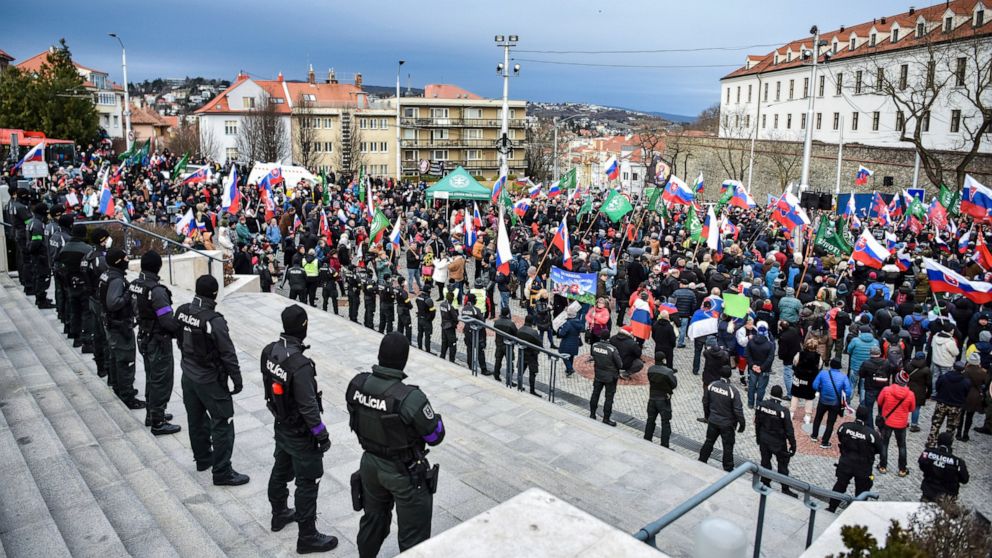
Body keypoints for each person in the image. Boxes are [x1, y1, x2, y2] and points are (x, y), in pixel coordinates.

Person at [347, 332, 444, 557]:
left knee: (373, 520)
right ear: (404, 360)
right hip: (404, 472)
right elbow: (436, 436)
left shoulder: (357, 384)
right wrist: (434, 418)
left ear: (379, 355)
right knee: (414, 535)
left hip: (369, 464)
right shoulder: (410, 397)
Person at [261, 305, 338, 554]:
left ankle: (279, 513)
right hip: (300, 432)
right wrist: (322, 435)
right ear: (303, 327)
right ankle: (307, 536)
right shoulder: (300, 364)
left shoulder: (269, 350)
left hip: (281, 423)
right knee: (308, 481)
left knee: (280, 468)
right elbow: (308, 406)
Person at [176, 275, 249, 486]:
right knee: (223, 422)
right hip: (209, 379)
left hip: (188, 374)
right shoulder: (213, 320)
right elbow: (228, 353)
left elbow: (174, 332)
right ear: (215, 294)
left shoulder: (182, 311)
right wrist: (237, 379)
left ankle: (203, 459)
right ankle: (222, 471)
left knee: (195, 418)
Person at [132, 251, 182, 435]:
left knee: (151, 376)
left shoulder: (135, 285)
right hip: (158, 340)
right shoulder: (157, 291)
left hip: (144, 336)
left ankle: (151, 413)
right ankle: (158, 421)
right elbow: (167, 320)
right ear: (158, 266)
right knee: (161, 379)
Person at [100, 248, 144, 408]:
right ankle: (127, 396)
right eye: (125, 258)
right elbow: (114, 303)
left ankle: (118, 387)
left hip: (111, 324)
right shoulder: (117, 280)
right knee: (125, 360)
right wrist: (128, 293)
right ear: (119, 262)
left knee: (114, 357)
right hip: (119, 326)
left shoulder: (107, 274)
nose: (127, 259)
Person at [826, 405, 883, 513]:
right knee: (862, 492)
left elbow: (840, 436)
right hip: (863, 467)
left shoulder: (845, 427)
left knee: (840, 485)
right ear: (867, 417)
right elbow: (880, 449)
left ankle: (831, 507)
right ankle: (858, 513)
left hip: (845, 462)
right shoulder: (872, 434)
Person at [699, 365, 746, 472]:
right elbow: (738, 410)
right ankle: (728, 468)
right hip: (727, 424)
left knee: (709, 441)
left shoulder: (712, 385)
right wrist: (742, 424)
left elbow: (705, 401)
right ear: (730, 375)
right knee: (728, 447)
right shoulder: (733, 391)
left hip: (713, 420)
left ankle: (702, 459)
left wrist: (707, 416)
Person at [754, 385, 798, 497]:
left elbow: (757, 423)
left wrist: (758, 437)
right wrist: (793, 445)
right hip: (778, 443)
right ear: (780, 396)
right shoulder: (783, 411)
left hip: (764, 439)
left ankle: (765, 482)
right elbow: (789, 430)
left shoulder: (761, 406)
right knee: (783, 466)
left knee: (765, 462)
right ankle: (785, 488)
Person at [55, 224, 93, 348]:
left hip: (70, 284)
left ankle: (76, 337)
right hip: (84, 284)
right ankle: (86, 340)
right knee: (86, 312)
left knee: (74, 310)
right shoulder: (87, 249)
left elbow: (58, 266)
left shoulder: (64, 248)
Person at [81, 229, 111, 378]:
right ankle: (105, 365)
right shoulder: (99, 259)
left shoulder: (88, 255)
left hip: (92, 298)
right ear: (102, 240)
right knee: (103, 335)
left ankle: (101, 364)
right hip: (99, 300)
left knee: (98, 333)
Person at [875, 371, 916, 477]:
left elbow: (879, 402)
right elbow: (912, 408)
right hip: (901, 423)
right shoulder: (910, 394)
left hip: (887, 421)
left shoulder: (886, 390)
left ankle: (883, 466)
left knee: (884, 444)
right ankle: (902, 469)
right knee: (902, 446)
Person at [926, 361, 971, 447]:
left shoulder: (943, 377)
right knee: (951, 428)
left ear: (953, 367)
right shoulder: (966, 382)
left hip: (942, 403)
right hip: (956, 406)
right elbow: (966, 393)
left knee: (936, 424)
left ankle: (931, 442)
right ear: (963, 370)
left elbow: (937, 387)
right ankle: (947, 445)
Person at [810, 359, 852, 449]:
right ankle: (824, 442)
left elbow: (814, 385)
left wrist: (821, 389)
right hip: (835, 403)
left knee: (818, 417)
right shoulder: (843, 377)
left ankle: (814, 435)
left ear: (830, 365)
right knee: (830, 422)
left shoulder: (823, 373)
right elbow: (848, 392)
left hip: (823, 400)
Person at [918, 431, 969, 503]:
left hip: (928, 491)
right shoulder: (957, 462)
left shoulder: (928, 453)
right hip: (947, 497)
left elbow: (922, 465)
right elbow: (965, 479)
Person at [589, 331, 622, 426]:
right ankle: (606, 418)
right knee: (609, 398)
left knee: (595, 394)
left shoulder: (594, 345)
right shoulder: (612, 349)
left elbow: (593, 356)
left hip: (598, 374)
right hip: (610, 377)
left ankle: (592, 414)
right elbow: (620, 364)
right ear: (609, 338)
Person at [644, 355, 677, 447]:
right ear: (663, 359)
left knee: (650, 420)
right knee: (665, 423)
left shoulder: (650, 369)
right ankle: (664, 444)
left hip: (652, 398)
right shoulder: (668, 372)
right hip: (663, 400)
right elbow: (674, 384)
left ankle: (647, 438)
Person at [27, 202, 54, 308]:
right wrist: (41, 254)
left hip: (37, 255)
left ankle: (41, 297)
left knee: (39, 277)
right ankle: (41, 300)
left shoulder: (33, 222)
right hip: (40, 256)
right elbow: (36, 243)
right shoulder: (38, 225)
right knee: (41, 277)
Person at [744, 321, 775, 408]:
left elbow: (747, 354)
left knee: (751, 386)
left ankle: (750, 403)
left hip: (753, 368)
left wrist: (752, 365)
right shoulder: (770, 345)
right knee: (761, 388)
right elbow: (770, 358)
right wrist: (762, 367)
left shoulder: (751, 342)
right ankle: (759, 404)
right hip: (764, 370)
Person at [958, 352, 987, 442]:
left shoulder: (965, 370)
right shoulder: (983, 372)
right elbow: (985, 384)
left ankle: (958, 432)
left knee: (961, 415)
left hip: (964, 394)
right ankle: (966, 434)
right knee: (970, 416)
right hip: (975, 396)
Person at [790, 338, 821, 424]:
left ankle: (791, 413)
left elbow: (795, 362)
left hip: (799, 378)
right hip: (810, 380)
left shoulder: (800, 354)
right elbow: (819, 367)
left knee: (795, 395)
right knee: (809, 398)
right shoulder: (818, 357)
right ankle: (807, 416)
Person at [859, 346, 892, 426]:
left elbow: (861, 374)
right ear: (880, 353)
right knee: (882, 409)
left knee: (869, 409)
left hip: (870, 388)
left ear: (870, 354)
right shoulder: (886, 362)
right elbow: (889, 373)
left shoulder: (866, 363)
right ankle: (881, 426)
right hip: (883, 389)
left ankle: (870, 427)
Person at [460, 293, 488, 375]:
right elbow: (482, 322)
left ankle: (470, 366)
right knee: (480, 351)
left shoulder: (464, 308)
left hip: (467, 331)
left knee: (469, 349)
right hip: (475, 333)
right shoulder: (476, 309)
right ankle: (483, 369)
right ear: (474, 300)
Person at [516, 315, 543, 396]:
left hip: (522, 353)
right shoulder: (534, 332)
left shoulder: (520, 330)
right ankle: (532, 390)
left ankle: (519, 385)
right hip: (532, 355)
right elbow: (540, 344)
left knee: (521, 371)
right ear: (532, 322)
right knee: (532, 373)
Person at [558, 305, 585, 377]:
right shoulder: (578, 322)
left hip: (567, 343)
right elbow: (582, 329)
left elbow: (562, 334)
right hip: (575, 342)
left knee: (563, 355)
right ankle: (568, 370)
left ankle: (570, 368)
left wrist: (560, 328)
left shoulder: (568, 324)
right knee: (571, 356)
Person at [493, 306, 518, 383]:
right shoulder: (511, 324)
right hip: (508, 346)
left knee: (498, 360)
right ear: (508, 314)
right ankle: (509, 379)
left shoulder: (497, 322)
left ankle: (496, 375)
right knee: (510, 363)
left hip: (499, 344)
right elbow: (516, 333)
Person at [438, 291, 458, 362]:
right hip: (450, 328)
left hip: (443, 326)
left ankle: (442, 356)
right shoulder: (450, 307)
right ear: (451, 298)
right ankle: (452, 360)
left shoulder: (442, 304)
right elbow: (455, 318)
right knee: (452, 344)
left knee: (444, 342)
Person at [415, 287, 436, 353]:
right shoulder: (429, 300)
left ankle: (419, 347)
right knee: (427, 336)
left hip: (419, 318)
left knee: (420, 334)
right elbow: (433, 313)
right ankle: (427, 350)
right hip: (426, 320)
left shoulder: (418, 297)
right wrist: (429, 319)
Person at [395, 276, 413, 343]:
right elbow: (407, 302)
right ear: (402, 283)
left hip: (399, 309)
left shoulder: (396, 289)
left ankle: (399, 340)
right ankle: (408, 341)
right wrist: (411, 306)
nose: (405, 282)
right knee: (408, 326)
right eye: (404, 281)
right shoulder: (404, 292)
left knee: (400, 325)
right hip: (405, 311)